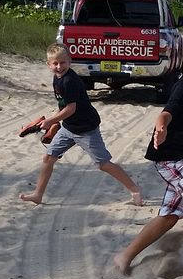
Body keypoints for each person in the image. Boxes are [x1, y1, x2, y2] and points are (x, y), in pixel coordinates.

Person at [114, 35, 183, 275]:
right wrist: (161, 126)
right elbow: (167, 112)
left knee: (170, 216)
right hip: (171, 158)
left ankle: (124, 256)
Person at [20, 43, 143, 206]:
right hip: (68, 127)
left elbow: (71, 108)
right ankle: (38, 194)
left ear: (70, 61)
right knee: (48, 157)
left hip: (86, 129)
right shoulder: (57, 78)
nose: (59, 66)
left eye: (63, 62)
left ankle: (135, 190)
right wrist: (54, 121)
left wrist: (51, 120)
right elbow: (64, 106)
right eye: (55, 63)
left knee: (103, 164)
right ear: (48, 65)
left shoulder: (70, 81)